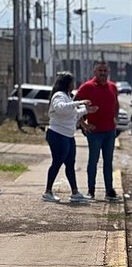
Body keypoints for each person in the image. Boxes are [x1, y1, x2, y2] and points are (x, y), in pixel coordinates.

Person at [42, 71, 98, 203]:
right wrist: (79, 102)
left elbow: (72, 114)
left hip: (68, 135)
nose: (74, 85)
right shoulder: (59, 96)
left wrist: (87, 110)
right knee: (57, 162)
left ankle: (75, 192)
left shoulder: (67, 96)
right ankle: (47, 191)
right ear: (66, 83)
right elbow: (60, 108)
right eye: (72, 82)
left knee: (70, 164)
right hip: (57, 134)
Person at [75, 61, 120, 201]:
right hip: (95, 132)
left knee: (108, 162)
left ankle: (109, 190)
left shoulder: (112, 87)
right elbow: (74, 104)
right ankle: (91, 191)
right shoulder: (87, 87)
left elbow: (116, 104)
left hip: (110, 131)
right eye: (100, 70)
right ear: (94, 72)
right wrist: (83, 123)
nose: (103, 73)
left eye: (105, 71)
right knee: (93, 161)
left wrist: (115, 117)